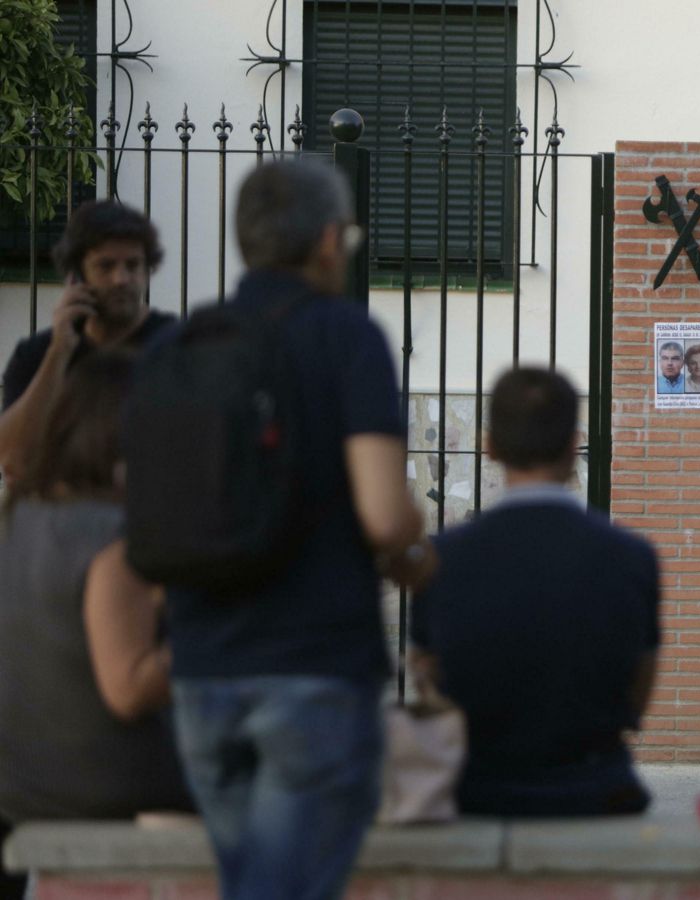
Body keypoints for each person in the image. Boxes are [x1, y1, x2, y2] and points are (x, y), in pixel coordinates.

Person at [160, 160, 434, 900]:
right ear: (328, 241)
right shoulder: (347, 337)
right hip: (314, 668)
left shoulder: (180, 346)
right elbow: (384, 515)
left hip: (201, 670)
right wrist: (415, 548)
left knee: (252, 883)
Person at [411, 367, 658, 816]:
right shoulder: (632, 556)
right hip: (595, 787)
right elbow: (639, 688)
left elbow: (427, 676)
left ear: (489, 446)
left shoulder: (443, 558)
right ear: (574, 444)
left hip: (477, 790)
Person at [0, 352, 192, 897]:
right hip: (105, 788)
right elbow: (128, 688)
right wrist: (215, 633)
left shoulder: (15, 519)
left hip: (19, 787)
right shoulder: (110, 536)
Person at [0, 201, 175, 481]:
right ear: (77, 275)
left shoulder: (179, 346)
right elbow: (13, 458)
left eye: (133, 265)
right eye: (105, 266)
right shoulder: (37, 354)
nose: (121, 279)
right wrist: (59, 352)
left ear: (147, 270)